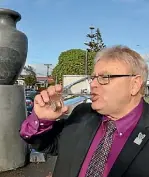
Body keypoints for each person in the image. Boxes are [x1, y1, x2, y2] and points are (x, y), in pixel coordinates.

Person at [20, 45, 149, 177]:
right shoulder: (82, 114)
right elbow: (47, 144)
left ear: (135, 84)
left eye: (104, 77)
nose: (92, 84)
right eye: (93, 78)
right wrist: (42, 120)